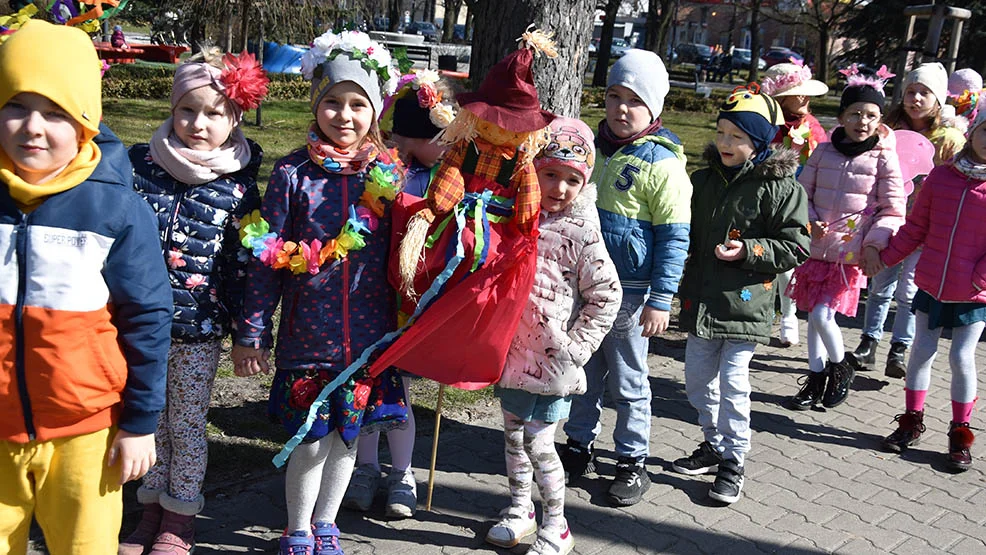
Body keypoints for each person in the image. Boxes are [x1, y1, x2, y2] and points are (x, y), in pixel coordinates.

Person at [230, 30, 408, 555]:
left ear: (374, 113)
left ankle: (328, 523)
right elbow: (268, 263)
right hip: (308, 337)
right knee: (310, 438)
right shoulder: (291, 174)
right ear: (316, 103)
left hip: (368, 341)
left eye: (358, 104)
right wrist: (252, 332)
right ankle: (298, 527)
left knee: (349, 437)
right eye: (333, 101)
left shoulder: (388, 174)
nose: (344, 115)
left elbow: (411, 246)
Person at [0, 20, 172, 554]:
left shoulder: (115, 208)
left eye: (55, 113)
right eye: (15, 106)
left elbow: (147, 316)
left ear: (85, 122)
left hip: (86, 431)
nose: (33, 127)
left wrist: (140, 424)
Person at [119, 49, 267, 555]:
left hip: (196, 328)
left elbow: (244, 264)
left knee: (183, 423)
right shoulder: (140, 165)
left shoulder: (238, 183)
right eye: (187, 110)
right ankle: (149, 507)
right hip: (135, 324)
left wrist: (251, 332)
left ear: (235, 118)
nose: (198, 123)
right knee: (145, 418)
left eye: (214, 113)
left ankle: (179, 519)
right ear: (172, 108)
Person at [559, 49, 692, 507]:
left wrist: (662, 298)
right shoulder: (589, 150)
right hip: (582, 288)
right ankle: (578, 446)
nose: (620, 109)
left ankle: (632, 460)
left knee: (629, 380)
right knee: (582, 372)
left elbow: (674, 238)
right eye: (614, 96)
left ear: (653, 107)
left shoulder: (664, 164)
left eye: (634, 100)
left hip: (632, 296)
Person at [485, 117, 620, 554]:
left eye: (572, 179)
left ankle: (556, 524)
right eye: (550, 175)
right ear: (533, 172)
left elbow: (606, 295)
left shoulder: (584, 233)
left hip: (554, 361)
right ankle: (520, 509)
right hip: (512, 355)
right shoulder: (517, 217)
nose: (560, 188)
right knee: (511, 437)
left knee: (540, 443)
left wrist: (575, 348)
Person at [674, 85, 809, 504]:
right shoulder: (702, 181)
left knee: (733, 382)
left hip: (747, 305)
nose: (726, 143)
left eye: (737, 136)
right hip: (703, 300)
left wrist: (749, 250)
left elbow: (796, 246)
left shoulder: (782, 188)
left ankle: (735, 459)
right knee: (697, 381)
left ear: (760, 142)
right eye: (721, 132)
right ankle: (714, 442)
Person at [342, 70, 456, 519]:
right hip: (372, 298)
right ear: (411, 139)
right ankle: (367, 468)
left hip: (412, 302)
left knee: (401, 391)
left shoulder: (444, 176)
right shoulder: (384, 172)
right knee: (368, 386)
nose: (448, 146)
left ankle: (403, 473)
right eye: (441, 137)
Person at [786, 68, 906, 411]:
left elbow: (893, 209)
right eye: (854, 114)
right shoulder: (823, 152)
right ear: (841, 117)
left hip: (848, 256)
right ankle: (815, 378)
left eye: (871, 115)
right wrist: (810, 222)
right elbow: (801, 195)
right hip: (815, 250)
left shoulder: (884, 157)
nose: (862, 121)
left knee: (823, 315)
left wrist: (873, 244)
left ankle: (841, 368)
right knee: (813, 318)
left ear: (880, 120)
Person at [876, 108, 986, 471]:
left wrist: (980, 279)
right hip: (932, 285)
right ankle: (911, 420)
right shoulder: (940, 178)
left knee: (961, 358)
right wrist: (886, 257)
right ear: (972, 132)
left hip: (972, 293)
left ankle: (960, 433)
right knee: (921, 353)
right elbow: (915, 227)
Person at [855, 62, 966, 378]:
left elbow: (956, 180)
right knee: (879, 283)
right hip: (887, 219)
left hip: (925, 227)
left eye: (924, 93)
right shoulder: (887, 131)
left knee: (907, 292)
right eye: (910, 91)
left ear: (938, 100)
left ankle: (899, 348)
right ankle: (868, 341)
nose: (915, 98)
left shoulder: (949, 139)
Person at [760, 62, 829, 347]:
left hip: (800, 202)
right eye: (797, 93)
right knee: (764, 258)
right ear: (779, 97)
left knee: (789, 261)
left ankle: (789, 315)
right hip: (766, 199)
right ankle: (761, 314)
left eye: (806, 93)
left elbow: (824, 163)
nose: (805, 99)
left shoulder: (812, 127)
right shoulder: (763, 124)